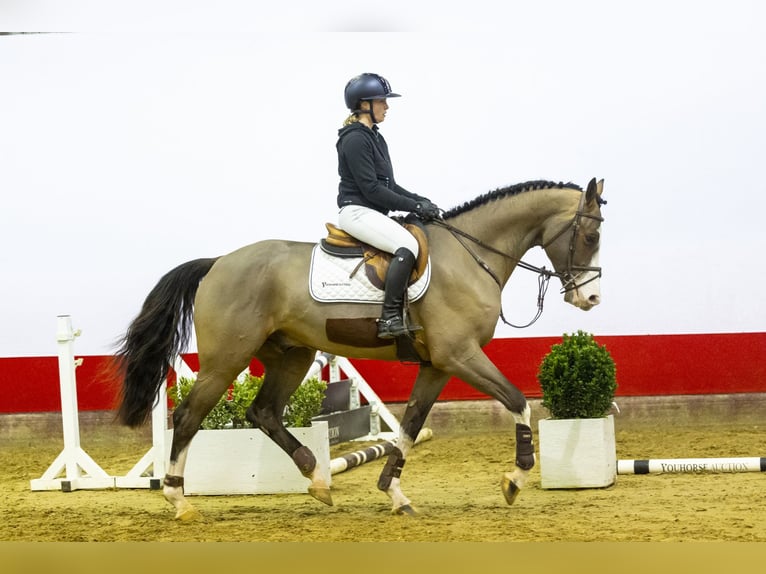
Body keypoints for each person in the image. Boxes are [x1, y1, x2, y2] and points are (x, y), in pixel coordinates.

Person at [336, 72, 442, 339]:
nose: (387, 106)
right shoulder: (355, 138)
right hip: (357, 211)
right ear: (364, 105)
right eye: (382, 101)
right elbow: (372, 190)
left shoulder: (376, 137)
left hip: (372, 211)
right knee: (407, 247)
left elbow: (390, 185)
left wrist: (419, 200)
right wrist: (414, 206)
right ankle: (389, 318)